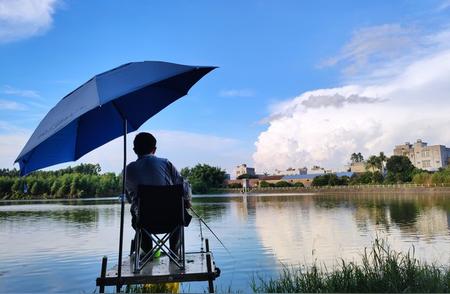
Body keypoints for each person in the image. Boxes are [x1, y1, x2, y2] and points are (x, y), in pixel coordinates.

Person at [125, 132, 191, 255]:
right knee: (179, 211)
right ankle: (174, 251)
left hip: (145, 221)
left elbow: (130, 196)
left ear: (134, 150)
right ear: (154, 149)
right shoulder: (166, 163)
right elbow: (184, 186)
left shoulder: (128, 169)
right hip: (171, 220)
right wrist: (187, 200)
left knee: (137, 211)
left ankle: (147, 252)